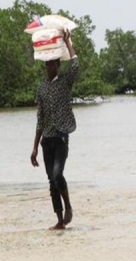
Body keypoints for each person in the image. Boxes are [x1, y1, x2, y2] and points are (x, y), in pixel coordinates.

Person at [30, 30, 78, 230]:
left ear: (58, 65)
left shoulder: (64, 82)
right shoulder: (41, 88)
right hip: (46, 141)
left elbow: (75, 66)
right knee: (51, 181)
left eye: (53, 63)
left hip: (61, 138)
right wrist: (34, 148)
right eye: (47, 64)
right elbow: (40, 119)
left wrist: (67, 42)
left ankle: (68, 206)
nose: (50, 66)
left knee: (58, 175)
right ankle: (59, 221)